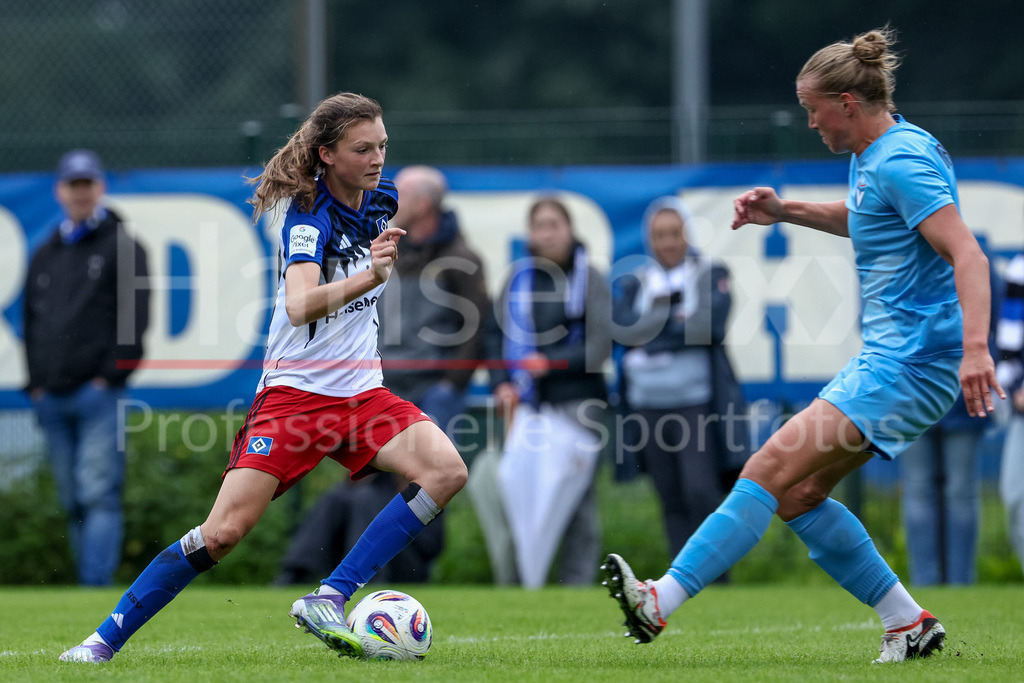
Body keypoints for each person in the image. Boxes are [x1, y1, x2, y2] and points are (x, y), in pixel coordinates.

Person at [601, 27, 1003, 664]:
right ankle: (907, 623)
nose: (810, 123)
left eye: (813, 110)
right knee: (798, 493)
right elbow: (867, 217)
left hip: (909, 362)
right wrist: (785, 210)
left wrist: (977, 348)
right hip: (903, 362)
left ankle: (660, 600)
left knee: (766, 469)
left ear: (848, 102)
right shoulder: (883, 152)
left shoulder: (899, 158)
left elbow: (968, 253)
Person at [59, 92, 468, 663]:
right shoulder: (308, 217)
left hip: (362, 394)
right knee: (222, 533)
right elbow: (300, 305)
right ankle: (101, 641)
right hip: (294, 397)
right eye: (362, 149)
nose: (377, 158)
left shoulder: (384, 199)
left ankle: (330, 596)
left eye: (382, 146)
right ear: (327, 154)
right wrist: (370, 275)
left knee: (446, 470)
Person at [276, 165, 485, 586]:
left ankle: (410, 571)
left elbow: (476, 329)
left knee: (425, 477)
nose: (386, 198)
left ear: (422, 204)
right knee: (366, 484)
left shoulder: (461, 260)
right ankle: (332, 573)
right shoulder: (382, 247)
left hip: (433, 388)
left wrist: (450, 386)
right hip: (381, 384)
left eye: (401, 194)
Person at [23, 148, 150, 587]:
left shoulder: (123, 245)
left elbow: (136, 315)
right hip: (51, 395)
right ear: (59, 191)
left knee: (98, 494)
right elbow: (31, 322)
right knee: (72, 499)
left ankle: (95, 588)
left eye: (87, 184)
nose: (80, 193)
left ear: (100, 188)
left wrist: (109, 377)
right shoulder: (45, 253)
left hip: (98, 394)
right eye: (72, 185)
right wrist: (36, 384)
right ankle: (86, 583)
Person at [613, 196, 748, 560]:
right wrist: (676, 322)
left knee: (700, 490)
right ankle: (680, 577)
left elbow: (709, 326)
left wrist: (649, 334)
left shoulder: (709, 274)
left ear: (687, 233)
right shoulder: (636, 284)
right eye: (660, 235)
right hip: (647, 406)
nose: (668, 242)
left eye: (675, 233)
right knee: (670, 497)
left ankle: (716, 573)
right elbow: (621, 329)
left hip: (694, 404)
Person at [486, 197, 611, 587]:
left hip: (579, 402)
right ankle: (520, 584)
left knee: (575, 500)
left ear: (570, 229)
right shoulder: (517, 280)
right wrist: (501, 383)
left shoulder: (590, 279)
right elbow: (493, 336)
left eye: (554, 224)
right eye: (539, 225)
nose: (547, 233)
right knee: (518, 493)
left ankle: (577, 583)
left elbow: (600, 346)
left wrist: (551, 362)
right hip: (526, 405)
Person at [898, 257, 999, 585]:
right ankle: (925, 584)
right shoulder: (899, 263)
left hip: (964, 396)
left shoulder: (975, 259)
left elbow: (993, 328)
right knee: (919, 488)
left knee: (959, 490)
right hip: (912, 393)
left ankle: (960, 584)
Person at [996, 245, 1024, 570]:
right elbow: (1009, 345)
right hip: (1021, 410)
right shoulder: (1019, 268)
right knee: (1015, 496)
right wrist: (1014, 386)